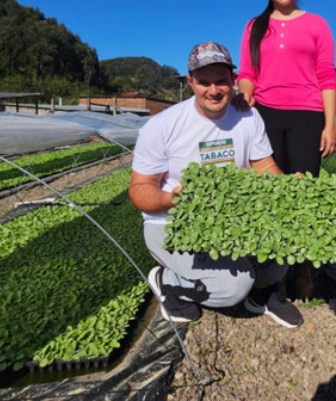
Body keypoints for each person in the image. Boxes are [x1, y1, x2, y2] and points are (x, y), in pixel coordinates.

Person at [129, 41, 303, 328]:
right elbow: (139, 190)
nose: (213, 90)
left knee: (286, 233)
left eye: (221, 81)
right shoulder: (162, 126)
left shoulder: (247, 115)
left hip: (228, 217)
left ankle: (260, 294)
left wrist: (284, 187)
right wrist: (172, 200)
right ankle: (168, 281)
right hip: (173, 222)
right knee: (233, 286)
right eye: (203, 82)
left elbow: (264, 165)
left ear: (233, 79)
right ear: (190, 82)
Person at [237, 0, 336, 297]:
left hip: (307, 115)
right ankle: (277, 272)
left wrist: (330, 125)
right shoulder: (255, 26)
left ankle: (303, 267)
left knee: (304, 193)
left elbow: (326, 76)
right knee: (272, 194)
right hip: (266, 114)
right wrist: (246, 94)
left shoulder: (317, 24)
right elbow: (247, 73)